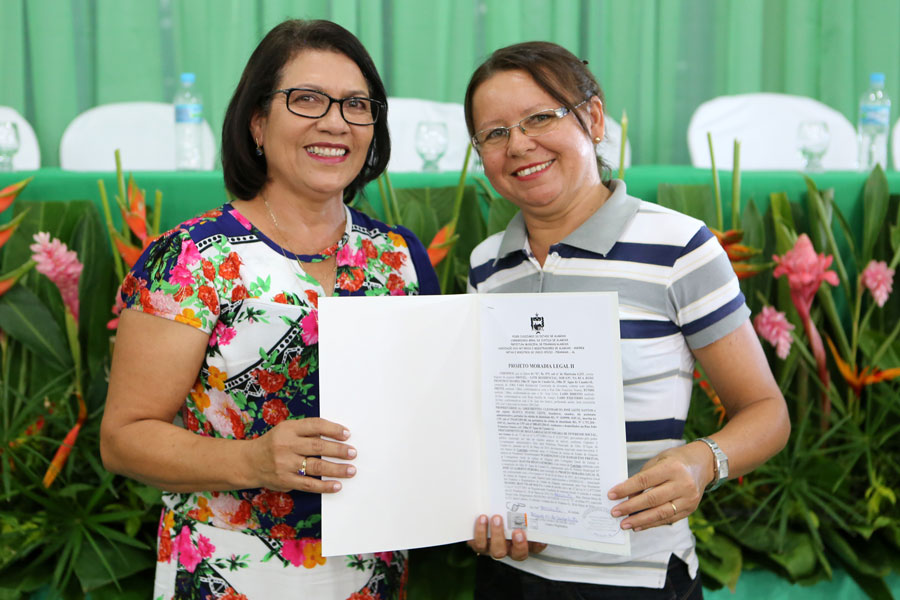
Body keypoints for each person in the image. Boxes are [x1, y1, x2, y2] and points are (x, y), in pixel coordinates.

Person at [100, 19, 438, 600]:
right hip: (230, 573)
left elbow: (436, 411)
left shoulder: (398, 256)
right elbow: (124, 439)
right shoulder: (191, 259)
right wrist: (252, 461)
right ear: (258, 122)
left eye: (357, 104)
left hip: (372, 573)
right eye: (307, 99)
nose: (335, 121)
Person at [464, 41, 790, 599]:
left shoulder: (680, 247)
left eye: (540, 117)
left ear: (593, 117)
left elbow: (767, 413)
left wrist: (702, 462)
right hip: (511, 576)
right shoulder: (486, 265)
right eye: (494, 134)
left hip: (638, 579)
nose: (518, 144)